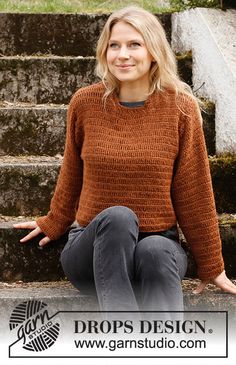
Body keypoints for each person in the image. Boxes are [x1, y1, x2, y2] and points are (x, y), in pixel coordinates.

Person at [14, 6, 236, 316]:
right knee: (118, 217)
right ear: (104, 52)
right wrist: (54, 221)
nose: (122, 54)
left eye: (134, 44)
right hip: (92, 249)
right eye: (114, 45)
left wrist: (212, 264)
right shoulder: (85, 103)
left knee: (156, 250)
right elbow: (72, 173)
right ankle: (122, 342)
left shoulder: (180, 108)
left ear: (154, 51)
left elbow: (194, 190)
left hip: (158, 244)